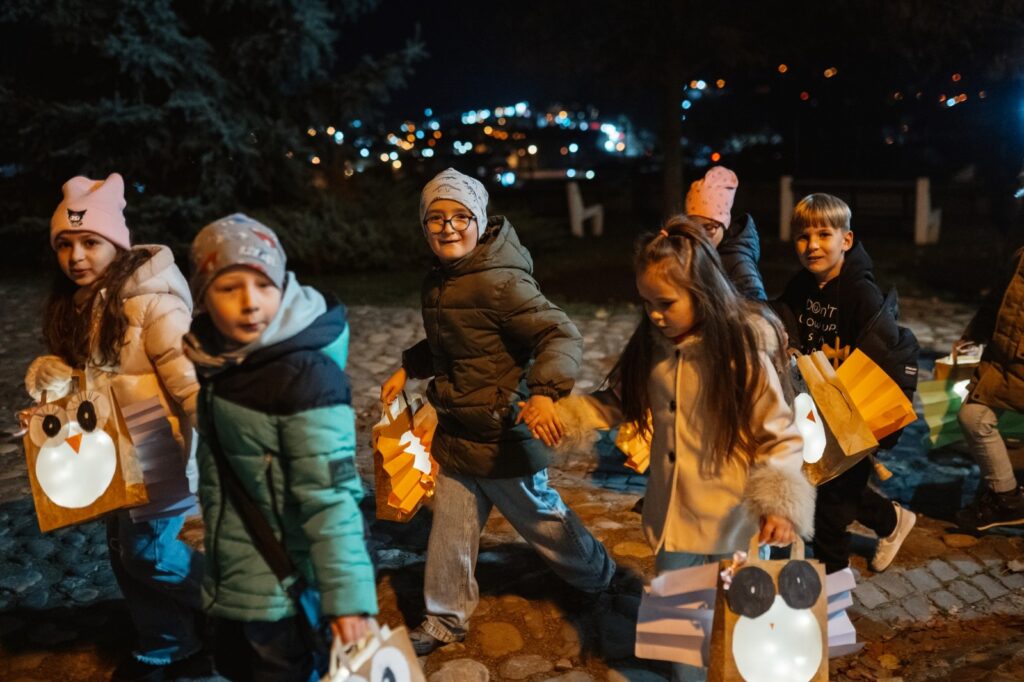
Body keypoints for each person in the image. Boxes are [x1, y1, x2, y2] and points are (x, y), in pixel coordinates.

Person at [562, 215, 813, 682]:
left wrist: (779, 504)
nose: (654, 313)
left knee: (738, 623)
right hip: (673, 517)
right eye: (646, 302)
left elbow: (778, 433)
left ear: (702, 292)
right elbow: (617, 403)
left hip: (732, 519)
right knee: (677, 625)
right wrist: (566, 417)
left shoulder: (739, 354)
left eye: (666, 302)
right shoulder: (652, 348)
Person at [380, 168, 616, 656]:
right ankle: (446, 618)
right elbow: (454, 344)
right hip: (460, 429)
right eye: (436, 218)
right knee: (450, 530)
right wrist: (410, 367)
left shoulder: (502, 282)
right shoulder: (441, 281)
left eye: (460, 216)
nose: (448, 227)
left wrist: (547, 392)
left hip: (505, 432)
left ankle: (598, 575)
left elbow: (560, 333)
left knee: (542, 518)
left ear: (480, 219)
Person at [24, 173, 207, 681]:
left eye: (89, 242)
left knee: (148, 553)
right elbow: (88, 383)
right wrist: (48, 408)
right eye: (65, 244)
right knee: (122, 554)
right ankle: (170, 639)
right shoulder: (83, 306)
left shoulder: (153, 303)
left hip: (157, 450)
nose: (76, 256)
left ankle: (244, 605)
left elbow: (190, 379)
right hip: (109, 455)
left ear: (117, 244)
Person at [184, 215, 376, 680]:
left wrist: (348, 603)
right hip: (238, 576)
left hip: (282, 592)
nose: (250, 303)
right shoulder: (223, 360)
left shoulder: (304, 377)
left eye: (264, 285)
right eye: (230, 288)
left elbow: (331, 500)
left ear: (284, 285)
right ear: (203, 295)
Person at [773, 193, 917, 574]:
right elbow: (788, 322)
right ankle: (891, 519)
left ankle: (829, 587)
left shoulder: (860, 294)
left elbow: (881, 354)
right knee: (827, 484)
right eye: (803, 237)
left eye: (824, 234)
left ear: (846, 240)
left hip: (853, 413)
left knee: (831, 510)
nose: (813, 245)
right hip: (815, 409)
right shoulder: (800, 286)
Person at [954, 247, 1024, 530]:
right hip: (1003, 361)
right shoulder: (1021, 255)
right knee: (973, 416)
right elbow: (999, 300)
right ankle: (1005, 498)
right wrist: (974, 334)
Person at [684, 165, 767, 301]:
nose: (700, 237)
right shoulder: (704, 251)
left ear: (724, 224)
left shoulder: (738, 263)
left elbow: (759, 311)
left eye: (709, 227)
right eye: (694, 228)